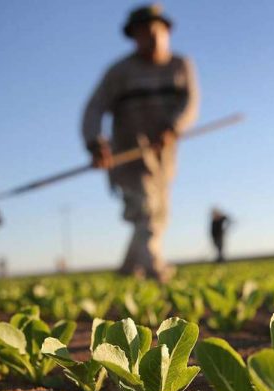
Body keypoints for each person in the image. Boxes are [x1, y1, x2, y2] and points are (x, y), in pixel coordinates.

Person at [82, 4, 199, 282]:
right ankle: (154, 268)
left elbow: (190, 103)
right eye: (144, 32)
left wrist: (174, 127)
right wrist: (95, 143)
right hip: (129, 155)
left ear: (167, 32)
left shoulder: (181, 66)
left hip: (164, 156)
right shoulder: (119, 72)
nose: (152, 37)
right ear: (134, 36)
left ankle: (128, 269)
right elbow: (94, 109)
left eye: (157, 31)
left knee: (158, 212)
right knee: (145, 209)